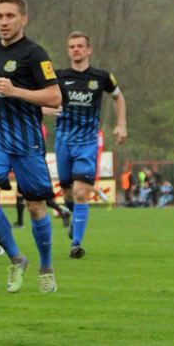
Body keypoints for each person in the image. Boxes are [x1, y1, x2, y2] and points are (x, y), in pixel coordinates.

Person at [0, 0, 63, 294]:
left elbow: (54, 97)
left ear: (24, 18)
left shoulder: (35, 54)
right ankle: (16, 258)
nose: (4, 22)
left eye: (10, 16)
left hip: (27, 144)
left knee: (37, 207)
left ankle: (46, 266)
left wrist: (17, 91)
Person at [44, 31, 127, 259]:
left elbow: (118, 97)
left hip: (88, 143)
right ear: (69, 50)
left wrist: (122, 125)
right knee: (69, 192)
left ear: (89, 50)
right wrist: (46, 109)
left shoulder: (102, 77)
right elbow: (41, 99)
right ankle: (72, 218)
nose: (76, 50)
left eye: (80, 46)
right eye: (72, 46)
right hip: (63, 141)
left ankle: (76, 244)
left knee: (81, 192)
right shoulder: (58, 77)